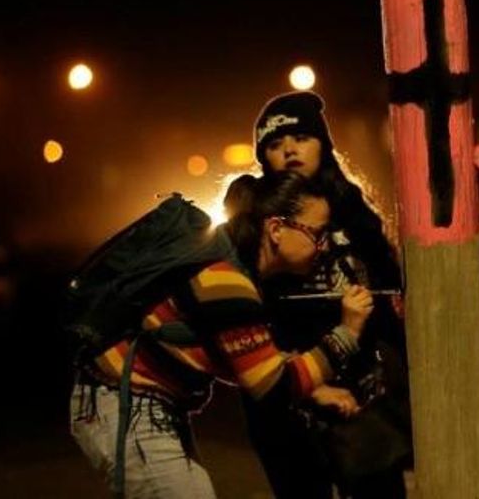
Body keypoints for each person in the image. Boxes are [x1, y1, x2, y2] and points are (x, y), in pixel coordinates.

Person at [70, 172, 374, 498]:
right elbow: (272, 391)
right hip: (128, 407)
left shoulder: (232, 269)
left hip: (134, 404)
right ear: (275, 229)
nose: (324, 245)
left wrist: (311, 387)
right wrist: (347, 333)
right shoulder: (225, 282)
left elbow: (245, 359)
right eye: (318, 233)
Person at [244, 90, 410, 499]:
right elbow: (244, 315)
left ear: (323, 144)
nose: (289, 150)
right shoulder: (256, 212)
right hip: (288, 386)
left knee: (380, 489)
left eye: (300, 138)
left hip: (359, 389)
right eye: (275, 145)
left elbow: (390, 290)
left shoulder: (352, 207)